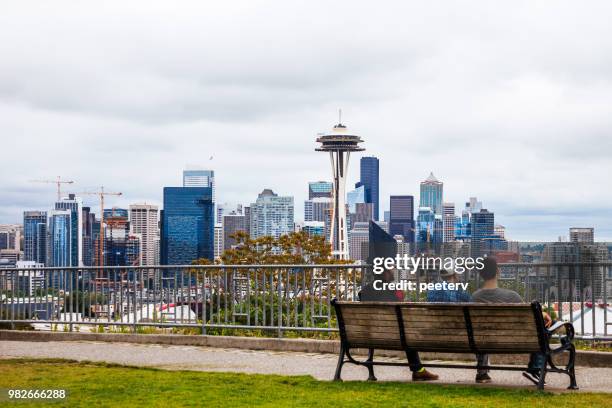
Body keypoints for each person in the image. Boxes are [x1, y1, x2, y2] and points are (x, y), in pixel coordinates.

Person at [472, 257, 551, 385]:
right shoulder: (512, 296)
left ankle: (482, 373)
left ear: (480, 274)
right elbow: (529, 316)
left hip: (483, 342)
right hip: (512, 340)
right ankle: (535, 369)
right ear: (498, 272)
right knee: (542, 329)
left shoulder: (474, 297)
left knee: (482, 331)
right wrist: (542, 313)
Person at [359, 268, 439, 381]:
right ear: (385, 273)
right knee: (407, 335)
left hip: (370, 335)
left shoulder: (364, 291)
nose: (393, 272)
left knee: (405, 333)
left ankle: (418, 370)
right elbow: (401, 309)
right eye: (391, 269)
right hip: (394, 334)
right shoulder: (393, 290)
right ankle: (418, 370)